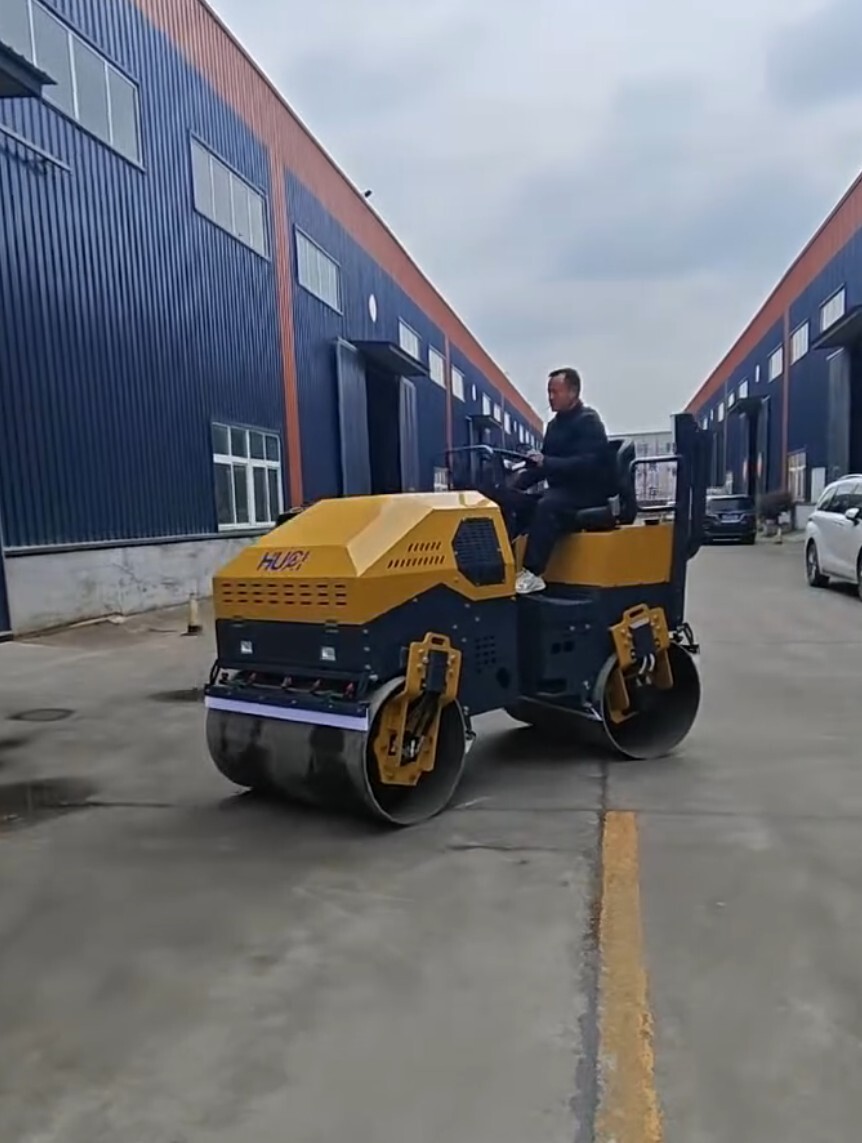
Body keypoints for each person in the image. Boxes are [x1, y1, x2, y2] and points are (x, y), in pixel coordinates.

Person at [511, 367, 613, 595]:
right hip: (561, 492)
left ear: (573, 392)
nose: (550, 397)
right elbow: (542, 465)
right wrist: (512, 486)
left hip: (587, 492)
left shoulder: (588, 421)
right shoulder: (554, 426)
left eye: (555, 392)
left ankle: (532, 573)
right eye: (548, 392)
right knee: (516, 502)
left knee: (547, 505)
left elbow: (588, 463)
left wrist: (546, 462)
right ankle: (504, 565)